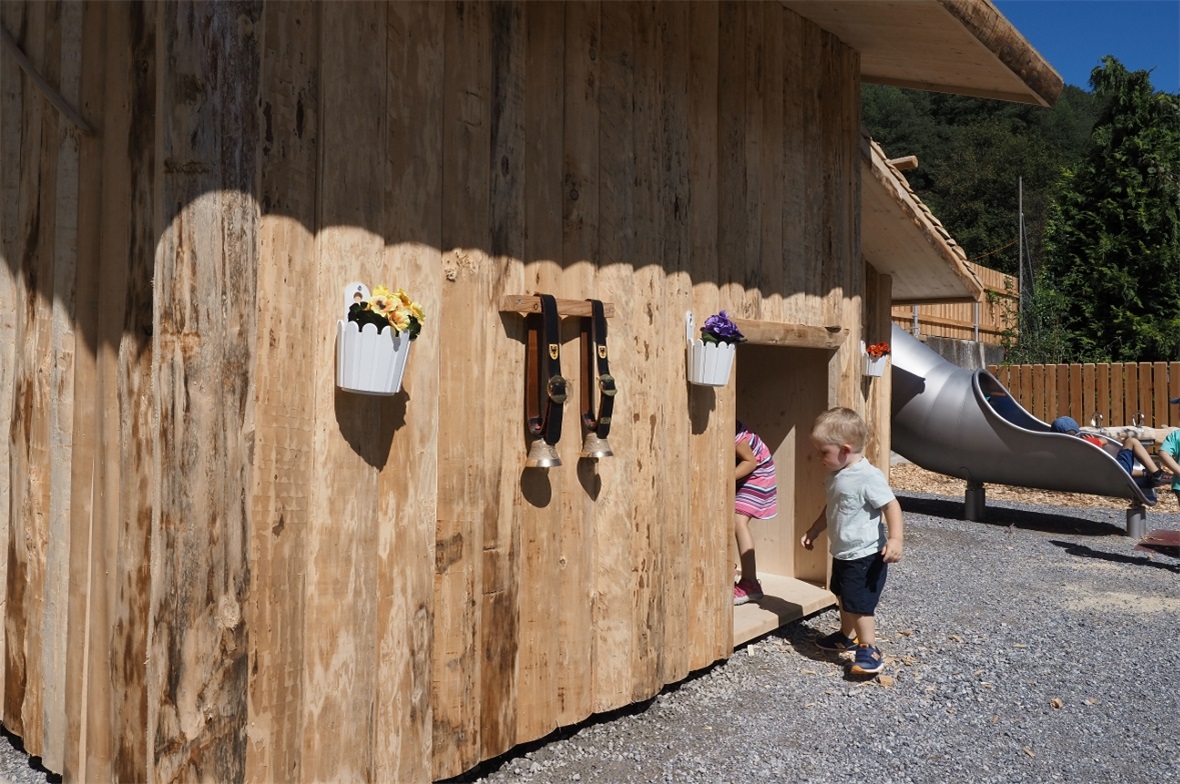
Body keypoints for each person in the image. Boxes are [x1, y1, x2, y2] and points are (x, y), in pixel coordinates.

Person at [802, 407, 903, 676]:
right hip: (843, 552)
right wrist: (814, 529)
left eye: (824, 451)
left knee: (859, 604)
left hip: (865, 555)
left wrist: (895, 538)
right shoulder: (836, 475)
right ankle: (845, 636)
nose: (819, 457)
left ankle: (869, 649)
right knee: (842, 595)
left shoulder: (867, 477)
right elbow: (832, 507)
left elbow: (891, 506)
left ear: (845, 450)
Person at [1050, 416, 1171, 498]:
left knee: (1116, 466)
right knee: (1131, 441)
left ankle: (1146, 474)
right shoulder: (1085, 443)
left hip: (1098, 478)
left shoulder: (1059, 453)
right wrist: (1097, 440)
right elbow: (1104, 441)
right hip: (1114, 474)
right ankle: (1157, 474)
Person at [734, 420, 778, 606]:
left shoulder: (732, 430)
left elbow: (750, 462)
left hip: (758, 474)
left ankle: (750, 583)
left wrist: (722, 479)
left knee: (737, 521)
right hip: (742, 474)